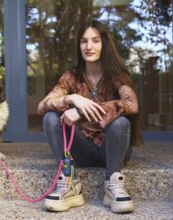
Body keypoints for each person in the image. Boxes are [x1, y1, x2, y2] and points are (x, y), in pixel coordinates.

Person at [37, 19, 144, 214]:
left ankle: (113, 185)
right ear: (79, 46)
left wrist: (80, 111)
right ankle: (70, 184)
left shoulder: (116, 74)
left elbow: (131, 103)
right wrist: (72, 98)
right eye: (84, 41)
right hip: (83, 149)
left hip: (113, 149)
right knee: (50, 118)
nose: (89, 46)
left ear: (104, 44)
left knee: (120, 122)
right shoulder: (71, 76)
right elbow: (42, 105)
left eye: (95, 41)